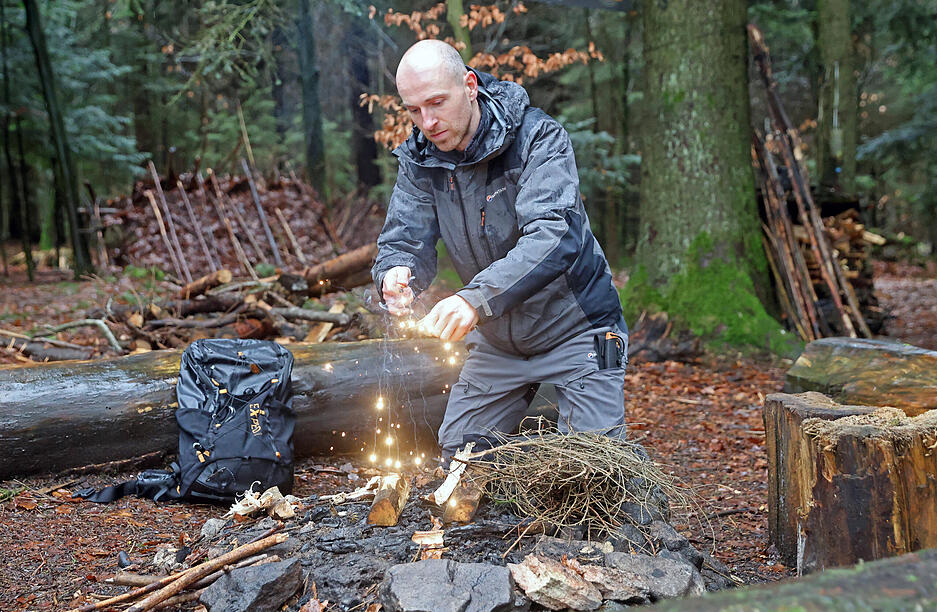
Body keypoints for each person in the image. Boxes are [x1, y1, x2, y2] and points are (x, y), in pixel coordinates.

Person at [372, 39, 628, 461]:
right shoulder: (421, 159)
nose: (428, 122)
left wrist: (475, 300)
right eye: (414, 110)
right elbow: (404, 239)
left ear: (469, 86)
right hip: (499, 343)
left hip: (581, 331)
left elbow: (553, 237)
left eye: (437, 103)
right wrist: (397, 273)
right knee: (462, 458)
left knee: (595, 465)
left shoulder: (537, 137)